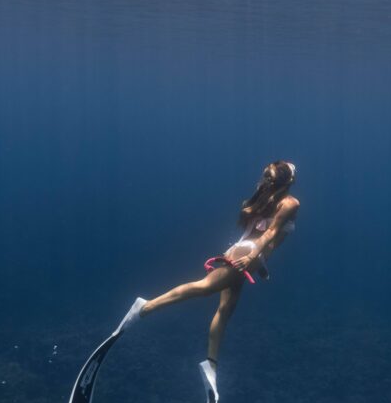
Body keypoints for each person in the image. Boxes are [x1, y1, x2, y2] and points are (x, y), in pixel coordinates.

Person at [120, 159, 300, 372]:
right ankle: (145, 307)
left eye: (269, 176)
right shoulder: (290, 203)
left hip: (246, 252)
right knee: (205, 287)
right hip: (247, 253)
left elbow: (265, 234)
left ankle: (211, 363)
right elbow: (270, 233)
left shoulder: (268, 197)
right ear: (289, 180)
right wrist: (253, 257)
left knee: (225, 309)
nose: (265, 180)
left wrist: (258, 263)